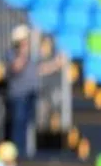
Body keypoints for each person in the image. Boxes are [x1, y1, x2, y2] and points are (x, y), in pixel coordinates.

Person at [5, 25, 65, 156]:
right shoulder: (11, 54)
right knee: (18, 124)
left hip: (31, 93)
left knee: (29, 124)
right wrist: (22, 53)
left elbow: (39, 69)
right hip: (19, 95)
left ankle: (27, 151)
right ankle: (18, 152)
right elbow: (16, 67)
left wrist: (56, 64)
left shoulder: (31, 55)